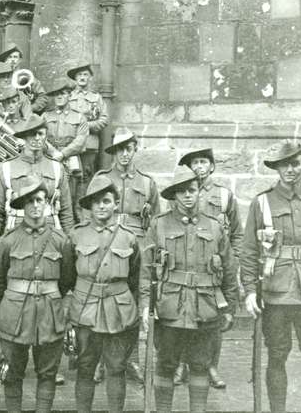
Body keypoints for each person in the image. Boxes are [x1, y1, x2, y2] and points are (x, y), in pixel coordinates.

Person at [240, 141, 301, 413]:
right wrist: (249, 291)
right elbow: (248, 251)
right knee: (277, 356)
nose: (290, 170)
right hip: (276, 292)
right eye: (284, 165)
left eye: (295, 163)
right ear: (277, 168)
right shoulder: (262, 202)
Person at [140, 167, 237, 413]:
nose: (187, 196)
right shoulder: (159, 225)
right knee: (165, 364)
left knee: (201, 364)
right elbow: (145, 270)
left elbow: (228, 269)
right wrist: (144, 306)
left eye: (192, 190)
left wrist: (230, 309)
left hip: (206, 308)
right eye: (181, 192)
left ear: (199, 192)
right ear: (173, 196)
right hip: (169, 308)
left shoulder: (215, 226)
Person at [0, 177, 73, 413]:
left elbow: (67, 279)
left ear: (47, 204)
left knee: (47, 372)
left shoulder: (60, 241)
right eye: (30, 201)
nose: (36, 206)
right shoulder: (8, 241)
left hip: (49, 314)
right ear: (22, 206)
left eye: (40, 200)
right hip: (15, 314)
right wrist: (10, 303)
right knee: (12, 371)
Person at [65, 175, 141, 413]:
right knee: (85, 366)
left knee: (116, 367)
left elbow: (135, 278)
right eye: (96, 202)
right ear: (89, 206)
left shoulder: (129, 237)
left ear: (116, 204)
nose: (101, 206)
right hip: (85, 309)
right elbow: (67, 276)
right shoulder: (76, 235)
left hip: (119, 311)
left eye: (106, 201)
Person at [171, 148, 243, 388]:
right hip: (187, 264)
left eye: (203, 162)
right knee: (184, 314)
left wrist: (233, 262)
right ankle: (181, 364)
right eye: (195, 163)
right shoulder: (181, 192)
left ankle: (211, 365)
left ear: (211, 166)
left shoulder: (223, 195)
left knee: (213, 317)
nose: (199, 167)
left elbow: (236, 233)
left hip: (215, 267)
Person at [91, 127, 158, 383]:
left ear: (135, 149)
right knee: (103, 297)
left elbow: (153, 222)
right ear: (113, 153)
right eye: (119, 150)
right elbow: (91, 212)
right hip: (106, 243)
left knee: (135, 299)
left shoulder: (147, 182)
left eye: (128, 149)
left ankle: (132, 360)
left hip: (137, 246)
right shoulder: (101, 177)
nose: (124, 155)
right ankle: (99, 361)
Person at [0, 115, 75, 238]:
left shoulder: (57, 167)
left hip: (50, 231)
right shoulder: (6, 167)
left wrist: (68, 240)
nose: (36, 138)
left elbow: (66, 211)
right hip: (16, 230)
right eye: (32, 134)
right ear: (24, 137)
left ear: (45, 136)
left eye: (40, 134)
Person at [42, 80, 89, 219]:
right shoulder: (45, 116)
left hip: (71, 161)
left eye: (63, 93)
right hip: (49, 158)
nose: (59, 97)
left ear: (70, 95)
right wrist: (53, 152)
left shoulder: (79, 117)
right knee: (48, 192)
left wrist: (62, 154)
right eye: (56, 94)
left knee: (71, 197)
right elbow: (40, 136)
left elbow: (80, 141)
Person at [67, 63, 107, 185]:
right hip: (70, 142)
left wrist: (86, 126)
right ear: (75, 78)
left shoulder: (96, 97)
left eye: (86, 74)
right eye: (79, 75)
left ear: (90, 77)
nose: (82, 77)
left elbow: (104, 119)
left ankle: (85, 203)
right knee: (70, 176)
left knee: (87, 176)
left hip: (89, 144)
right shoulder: (68, 96)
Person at [0, 42, 46, 114]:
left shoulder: (26, 76)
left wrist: (30, 108)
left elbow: (43, 97)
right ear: (5, 60)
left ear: (20, 60)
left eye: (15, 57)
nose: (13, 60)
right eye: (10, 57)